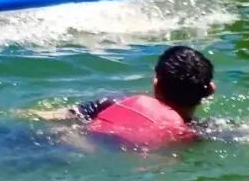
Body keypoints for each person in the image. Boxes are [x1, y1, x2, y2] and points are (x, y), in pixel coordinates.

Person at [24, 46, 215, 148]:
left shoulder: (114, 103)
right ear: (211, 90)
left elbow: (43, 116)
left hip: (44, 144)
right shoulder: (201, 132)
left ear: (156, 83)